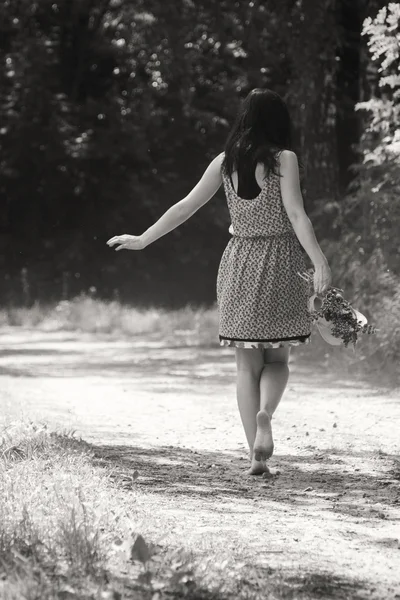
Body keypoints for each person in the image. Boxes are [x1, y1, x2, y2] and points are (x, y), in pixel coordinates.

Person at [107, 88, 332, 476]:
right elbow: (296, 215)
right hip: (281, 262)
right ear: (279, 122)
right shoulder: (284, 160)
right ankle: (267, 412)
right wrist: (320, 261)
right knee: (278, 358)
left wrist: (143, 239)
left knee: (246, 366)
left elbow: (185, 207)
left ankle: (254, 456)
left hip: (239, 264)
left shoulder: (224, 163)